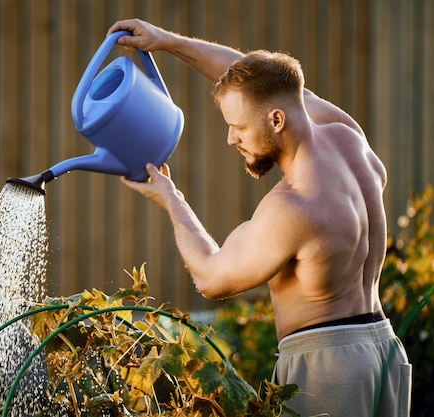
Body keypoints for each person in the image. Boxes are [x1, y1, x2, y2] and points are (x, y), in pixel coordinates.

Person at [107, 19, 412, 416]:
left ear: (276, 121)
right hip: (382, 352)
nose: (231, 138)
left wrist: (172, 199)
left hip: (329, 369)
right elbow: (261, 83)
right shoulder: (346, 136)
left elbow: (212, 278)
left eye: (238, 128)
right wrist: (168, 42)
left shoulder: (293, 207)